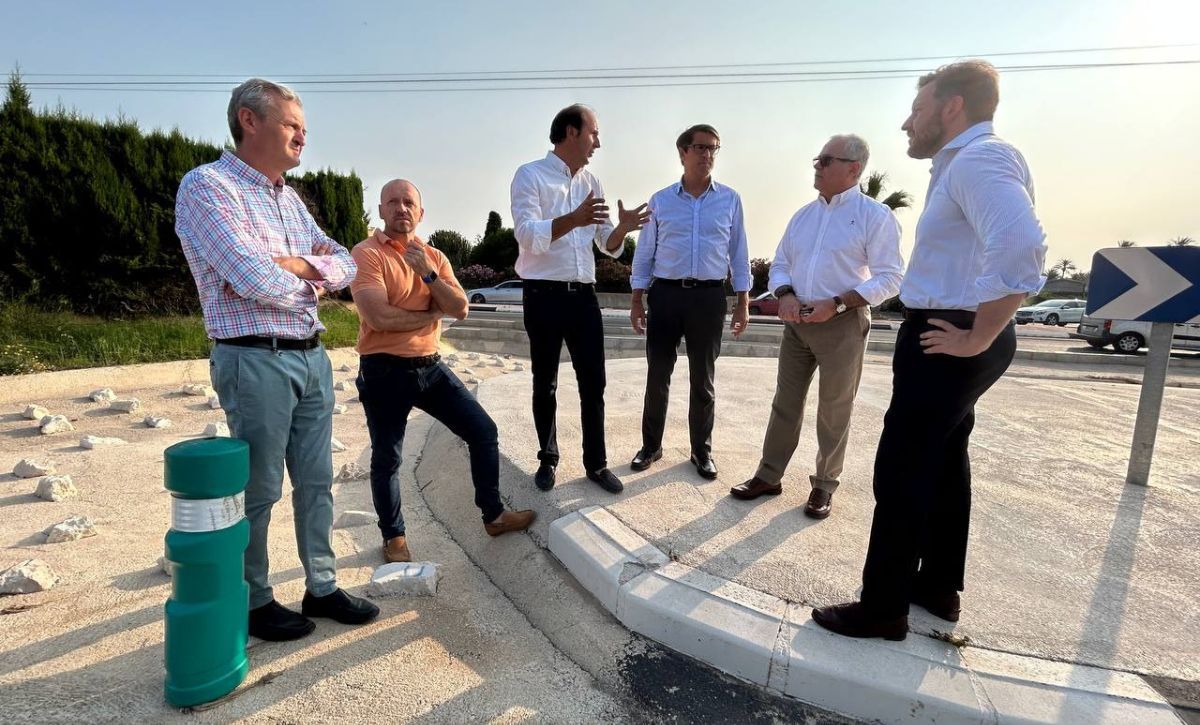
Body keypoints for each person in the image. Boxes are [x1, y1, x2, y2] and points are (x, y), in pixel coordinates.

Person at [812, 60, 1047, 640]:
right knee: (944, 461)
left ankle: (883, 608)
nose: (907, 123)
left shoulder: (978, 160)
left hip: (949, 336)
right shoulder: (974, 161)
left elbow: (1020, 245)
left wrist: (978, 335)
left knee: (902, 468)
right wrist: (980, 334)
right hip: (957, 331)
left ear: (952, 107)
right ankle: (938, 586)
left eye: (917, 110)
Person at [176, 78, 378, 641]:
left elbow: (346, 262)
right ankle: (254, 598)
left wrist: (297, 267)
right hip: (254, 358)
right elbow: (252, 278)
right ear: (250, 120)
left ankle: (322, 585)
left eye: (304, 129)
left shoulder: (288, 198)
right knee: (259, 488)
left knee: (317, 482)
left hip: (311, 356)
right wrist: (310, 276)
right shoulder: (208, 187)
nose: (303, 138)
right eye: (293, 125)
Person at [351, 179, 536, 563]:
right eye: (392, 202)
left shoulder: (433, 256)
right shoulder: (367, 254)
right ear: (381, 210)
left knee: (483, 431)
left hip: (430, 367)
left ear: (421, 213)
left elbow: (461, 308)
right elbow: (378, 317)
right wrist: (434, 313)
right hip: (383, 370)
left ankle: (494, 516)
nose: (401, 208)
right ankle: (394, 537)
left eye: (409, 202)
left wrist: (428, 275)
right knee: (387, 458)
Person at [729, 134, 903, 518]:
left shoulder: (875, 216)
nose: (817, 166)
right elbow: (780, 264)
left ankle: (824, 485)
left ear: (853, 169)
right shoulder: (803, 216)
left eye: (825, 160)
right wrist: (786, 294)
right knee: (785, 403)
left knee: (834, 408)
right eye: (817, 159)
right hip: (797, 324)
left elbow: (891, 278)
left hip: (843, 324)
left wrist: (837, 303)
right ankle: (769, 475)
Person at [510, 104, 650, 494]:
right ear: (572, 132)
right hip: (543, 294)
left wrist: (622, 229)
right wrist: (574, 218)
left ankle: (596, 464)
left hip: (584, 297)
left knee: (594, 383)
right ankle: (548, 458)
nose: (598, 143)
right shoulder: (530, 175)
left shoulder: (592, 182)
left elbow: (606, 242)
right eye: (594, 133)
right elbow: (527, 235)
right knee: (545, 382)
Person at [628, 124, 751, 481]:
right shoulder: (661, 200)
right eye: (700, 147)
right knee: (657, 375)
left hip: (709, 297)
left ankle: (701, 451)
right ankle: (651, 446)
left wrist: (743, 301)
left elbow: (739, 253)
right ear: (683, 152)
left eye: (713, 148)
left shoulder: (730, 200)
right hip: (666, 295)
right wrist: (637, 300)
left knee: (703, 380)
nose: (707, 154)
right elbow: (645, 253)